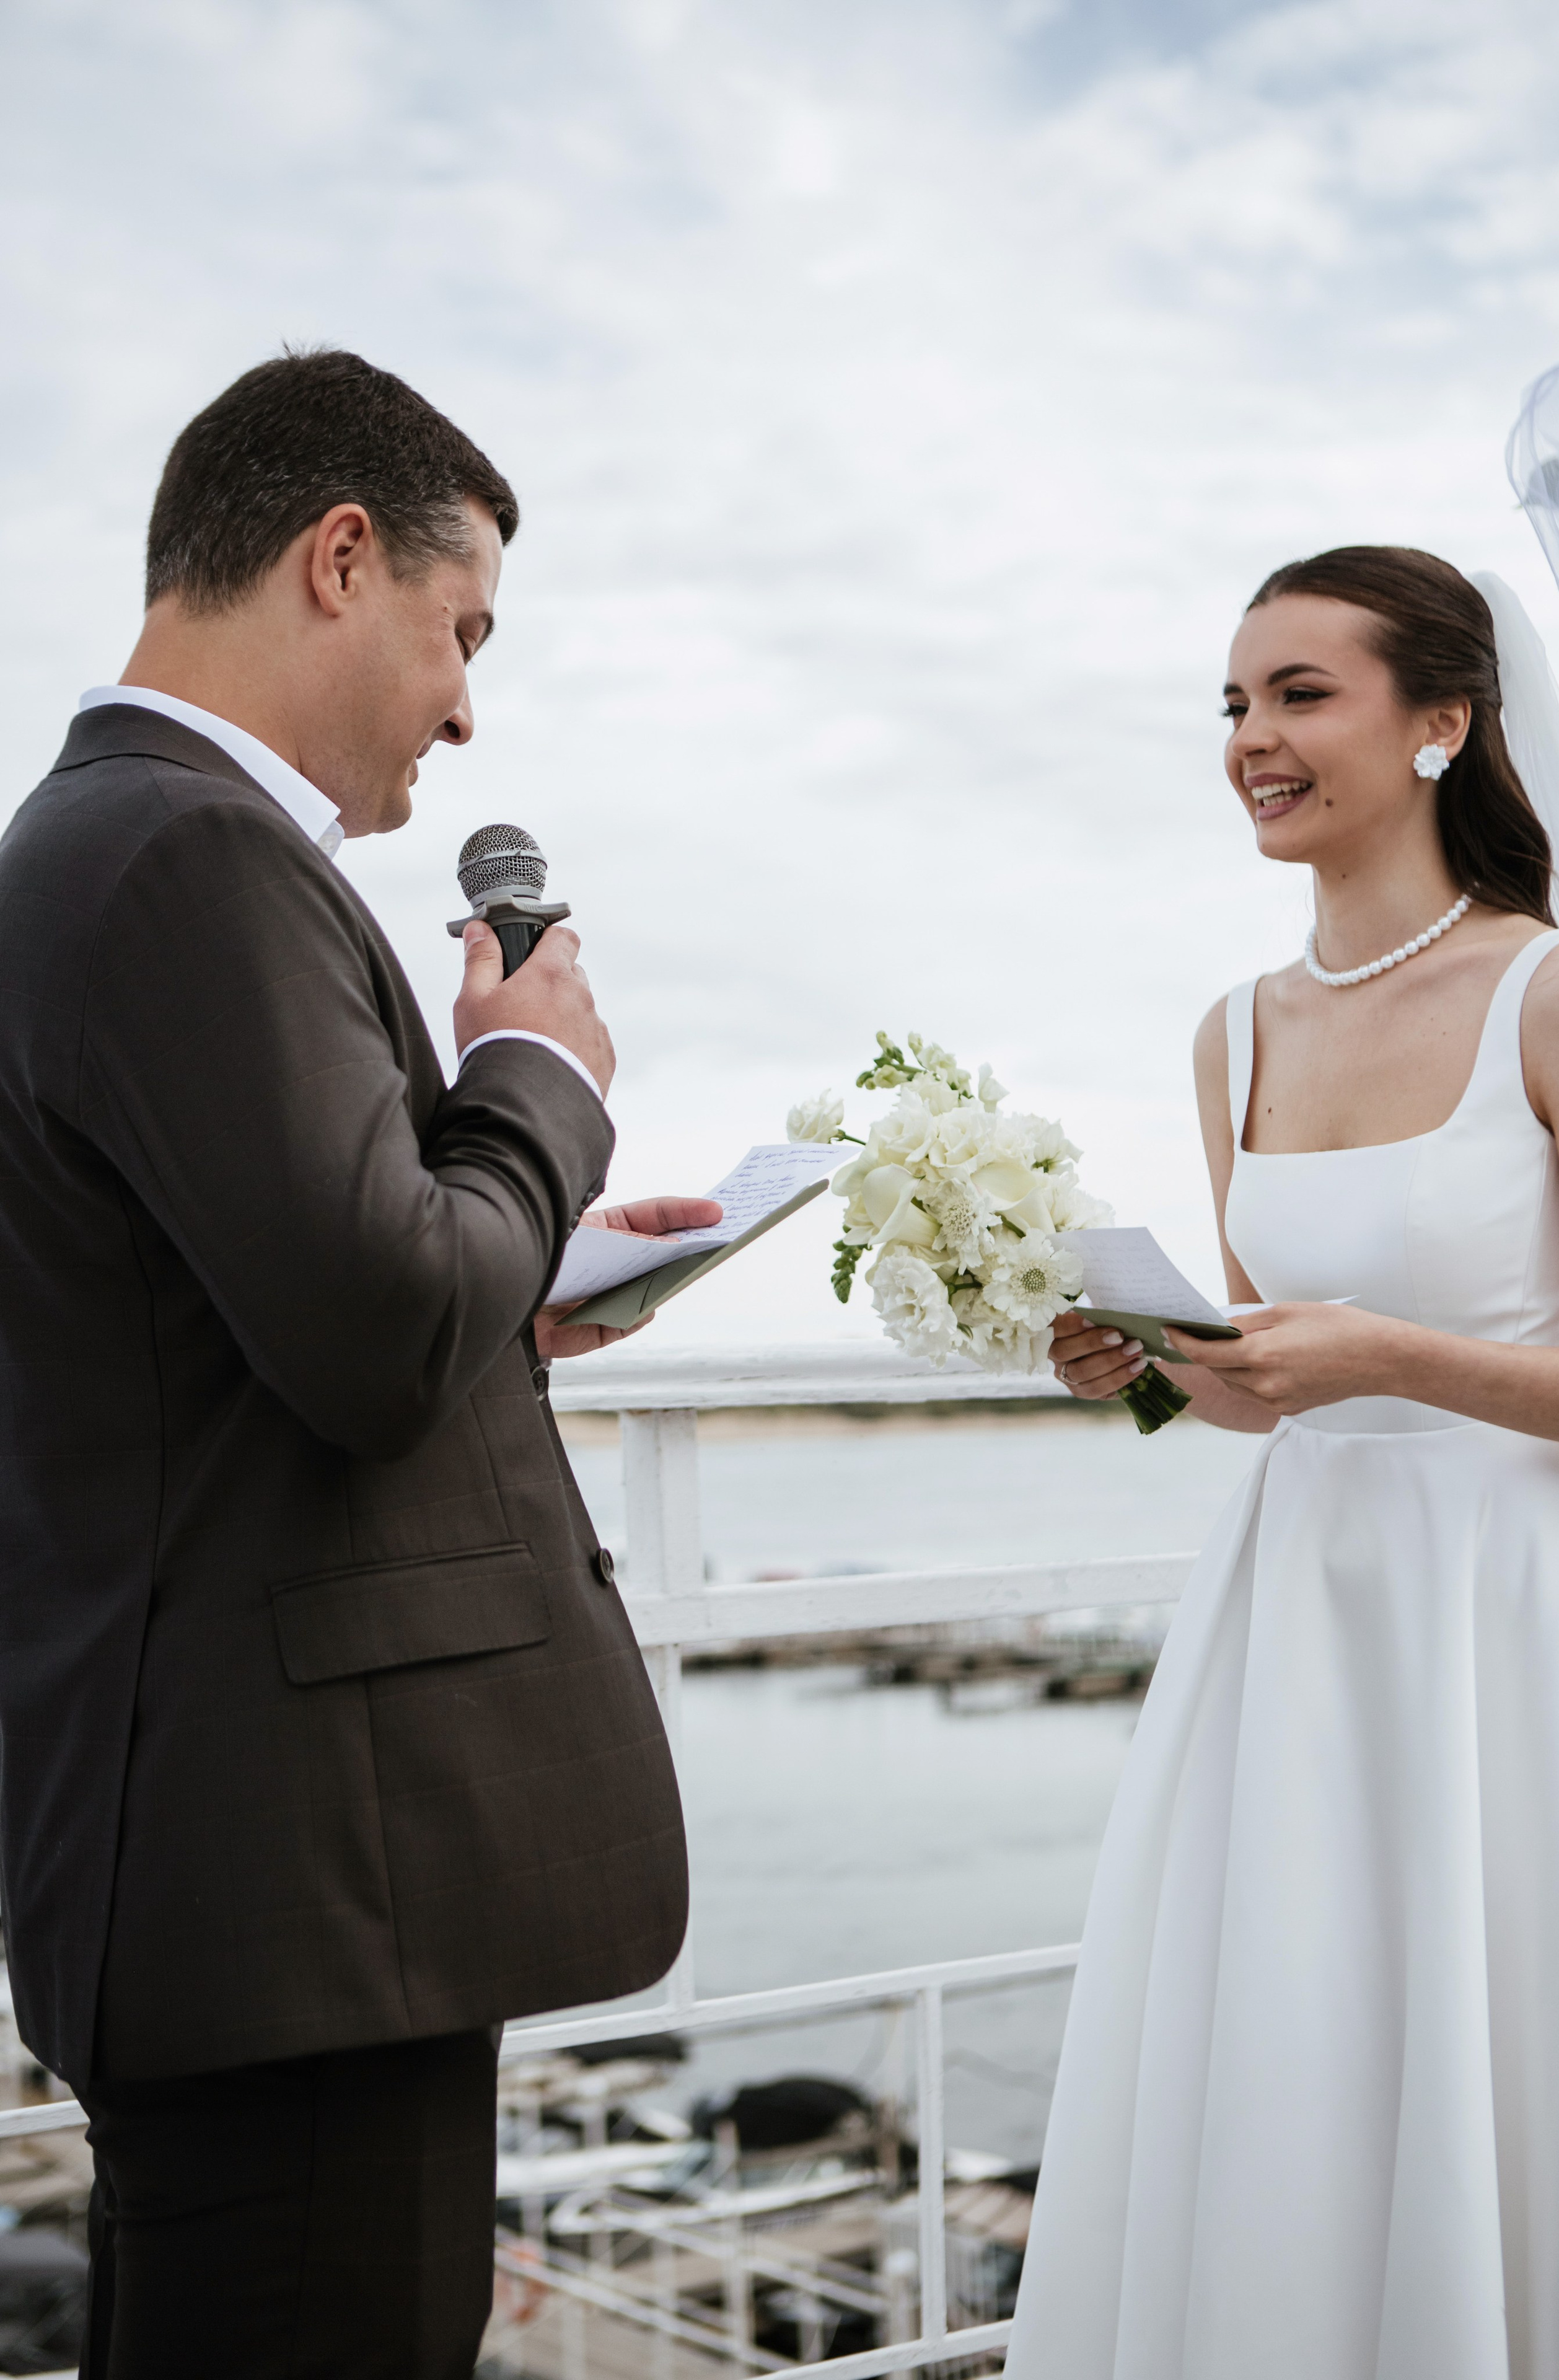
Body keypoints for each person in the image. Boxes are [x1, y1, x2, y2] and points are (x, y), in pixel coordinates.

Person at [0, 350, 717, 2378]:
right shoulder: (190, 857)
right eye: (459, 626)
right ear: (338, 559)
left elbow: (243, 1310)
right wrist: (534, 1086)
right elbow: (379, 1329)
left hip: (245, 1876)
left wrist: (529, 1272)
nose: (469, 701)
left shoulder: (96, 845)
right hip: (305, 1887)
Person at [1011, 547, 1559, 2379]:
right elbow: (1273, 1382)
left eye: (1301, 695)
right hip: (1299, 1636)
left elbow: (1377, 1358)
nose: (1254, 738)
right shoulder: (1232, 1032)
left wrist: (1394, 1356)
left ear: (1444, 724)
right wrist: (1151, 1374)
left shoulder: (1552, 996)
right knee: (1306, 2065)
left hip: (1515, 1625)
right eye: (1235, 705)